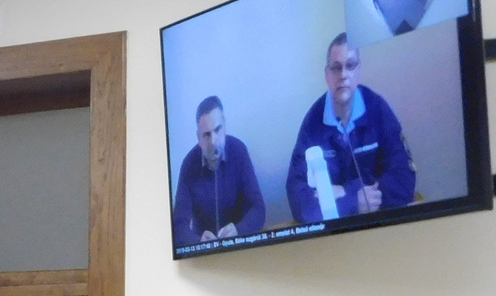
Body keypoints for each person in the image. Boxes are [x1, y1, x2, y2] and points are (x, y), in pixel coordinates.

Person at [286, 33, 416, 223]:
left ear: (359, 70)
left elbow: (404, 181)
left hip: (382, 222)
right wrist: (352, 202)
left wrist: (345, 190)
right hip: (336, 230)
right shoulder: (313, 123)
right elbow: (298, 199)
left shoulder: (378, 109)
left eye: (350, 65)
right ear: (327, 74)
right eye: (336, 67)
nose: (343, 75)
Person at [172, 95, 265, 246]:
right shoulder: (189, 164)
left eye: (217, 130)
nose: (213, 141)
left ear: (225, 126)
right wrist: (198, 241)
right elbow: (178, 225)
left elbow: (258, 209)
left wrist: (239, 230)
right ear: (198, 137)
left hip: (241, 245)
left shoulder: (239, 151)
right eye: (206, 135)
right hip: (205, 251)